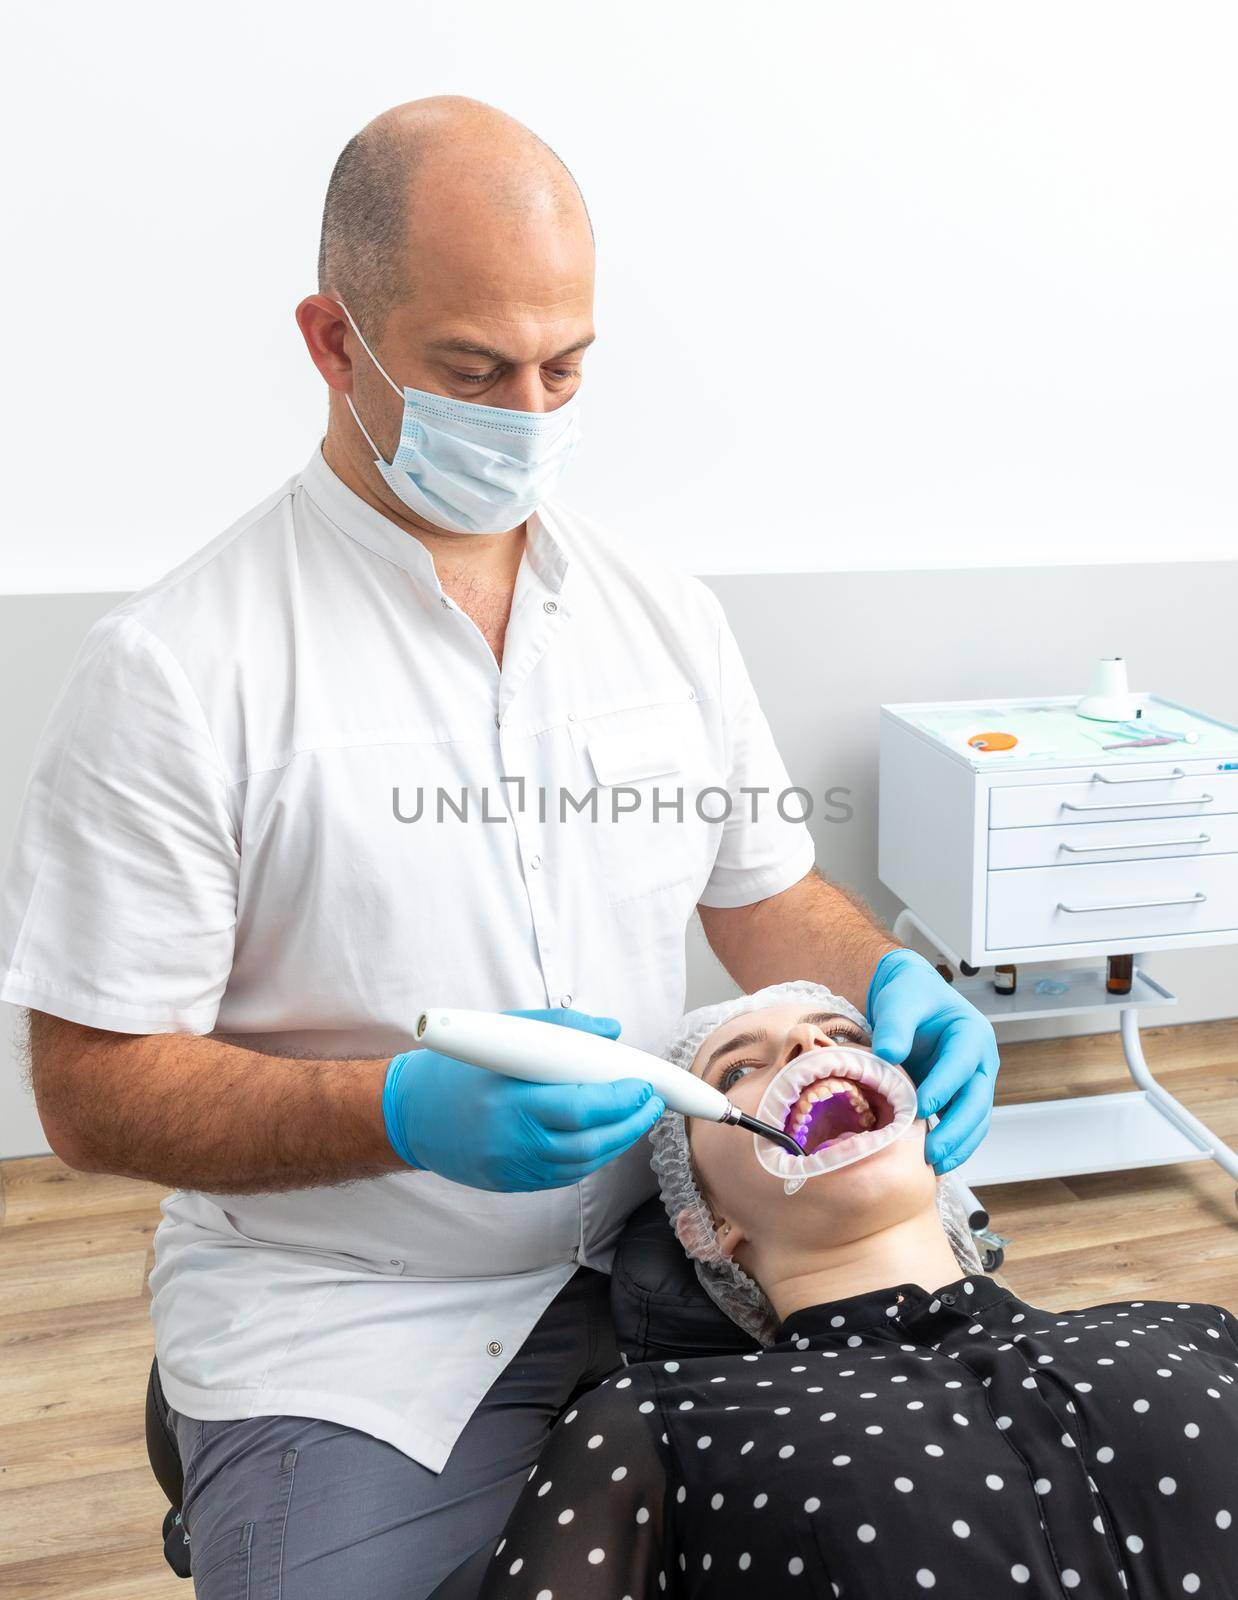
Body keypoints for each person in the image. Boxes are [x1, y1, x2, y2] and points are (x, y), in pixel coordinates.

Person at [0, 99, 999, 1598]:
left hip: (671, 1251)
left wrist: (895, 981)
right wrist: (397, 1115)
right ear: (334, 342)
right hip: (350, 1315)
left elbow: (764, 894)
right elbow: (91, 1092)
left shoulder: (660, 615)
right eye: (474, 370)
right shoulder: (177, 671)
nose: (530, 410)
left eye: (566, 364)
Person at [478, 982, 1238, 1599]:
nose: (812, 1048)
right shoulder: (652, 1423)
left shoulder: (1193, 1329)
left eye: (846, 1038)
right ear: (707, 1224)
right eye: (737, 1071)